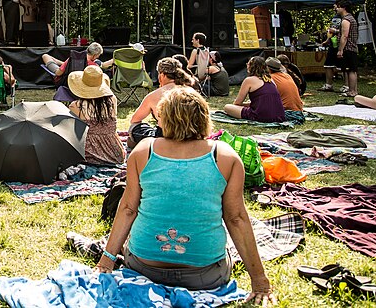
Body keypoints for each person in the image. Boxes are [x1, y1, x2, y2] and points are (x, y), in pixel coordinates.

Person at [95, 87, 275, 305]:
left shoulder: (144, 151)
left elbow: (128, 209)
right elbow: (236, 218)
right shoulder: (225, 156)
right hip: (205, 276)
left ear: (164, 118)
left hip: (144, 267)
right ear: (204, 117)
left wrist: (107, 261)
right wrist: (259, 281)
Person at [127, 57, 194, 149]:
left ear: (162, 75)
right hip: (190, 134)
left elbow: (135, 120)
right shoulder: (191, 91)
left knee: (135, 128)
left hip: (165, 137)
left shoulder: (155, 95)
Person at [67, 65, 125, 166]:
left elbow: (72, 131)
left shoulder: (76, 106)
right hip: (114, 152)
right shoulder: (112, 100)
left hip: (88, 154)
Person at [223, 56, 286, 123]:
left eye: (248, 63)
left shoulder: (249, 80)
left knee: (227, 107)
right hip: (279, 115)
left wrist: (244, 105)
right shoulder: (270, 80)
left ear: (251, 66)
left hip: (261, 116)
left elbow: (237, 103)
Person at [335, 0, 359, 97]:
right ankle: (353, 90)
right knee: (351, 70)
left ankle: (352, 91)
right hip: (352, 48)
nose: (336, 9)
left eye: (338, 6)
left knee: (351, 70)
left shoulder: (346, 20)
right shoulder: (351, 18)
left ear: (343, 8)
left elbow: (344, 36)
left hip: (348, 48)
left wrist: (340, 50)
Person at [318, 27, 340, 91]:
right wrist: (326, 42)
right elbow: (330, 34)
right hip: (332, 47)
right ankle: (328, 85)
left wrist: (336, 31)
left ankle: (347, 86)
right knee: (328, 66)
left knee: (345, 68)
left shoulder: (345, 20)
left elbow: (344, 32)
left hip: (339, 47)